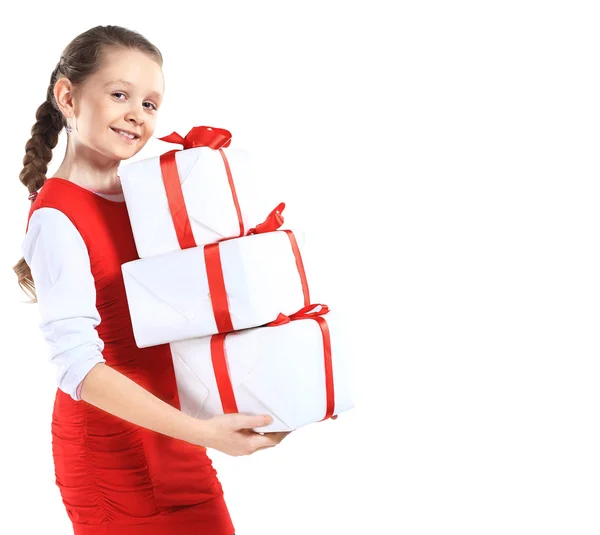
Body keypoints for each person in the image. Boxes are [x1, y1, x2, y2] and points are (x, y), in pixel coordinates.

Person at [14, 24, 290, 535]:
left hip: (173, 436)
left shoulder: (154, 197)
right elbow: (76, 368)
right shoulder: (56, 216)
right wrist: (206, 433)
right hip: (111, 450)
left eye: (150, 103)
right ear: (67, 97)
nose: (137, 115)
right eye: (120, 94)